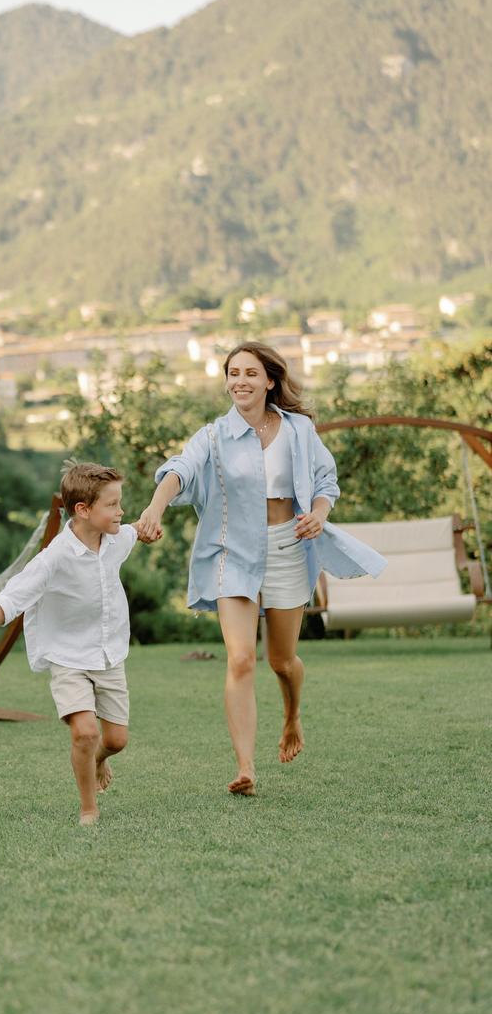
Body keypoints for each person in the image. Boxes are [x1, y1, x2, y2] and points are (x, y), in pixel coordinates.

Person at [136, 342, 386, 797]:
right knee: (240, 658)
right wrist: (155, 507)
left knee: (281, 660)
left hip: (289, 547)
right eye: (233, 373)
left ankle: (292, 717)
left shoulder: (299, 431)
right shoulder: (213, 436)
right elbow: (180, 470)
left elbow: (326, 481)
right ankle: (246, 767)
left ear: (270, 380)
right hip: (232, 552)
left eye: (250, 373)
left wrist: (320, 513)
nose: (240, 381)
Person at [0, 462, 140, 826]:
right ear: (83, 511)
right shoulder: (55, 556)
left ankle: (99, 758)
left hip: (109, 655)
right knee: (86, 732)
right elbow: (13, 596)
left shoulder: (118, 539)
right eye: (112, 504)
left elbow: (141, 528)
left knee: (116, 740)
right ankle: (89, 807)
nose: (120, 511)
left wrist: (152, 523)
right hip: (68, 657)